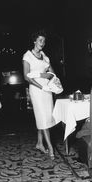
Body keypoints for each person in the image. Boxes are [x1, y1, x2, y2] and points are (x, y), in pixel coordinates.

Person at [23, 30, 55, 160]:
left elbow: (53, 73)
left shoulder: (45, 56)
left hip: (47, 90)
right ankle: (51, 148)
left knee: (45, 117)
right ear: (34, 41)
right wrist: (42, 77)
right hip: (36, 90)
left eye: (44, 41)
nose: (42, 43)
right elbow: (26, 76)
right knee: (43, 118)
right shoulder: (27, 56)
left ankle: (40, 143)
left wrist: (49, 76)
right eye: (40, 40)